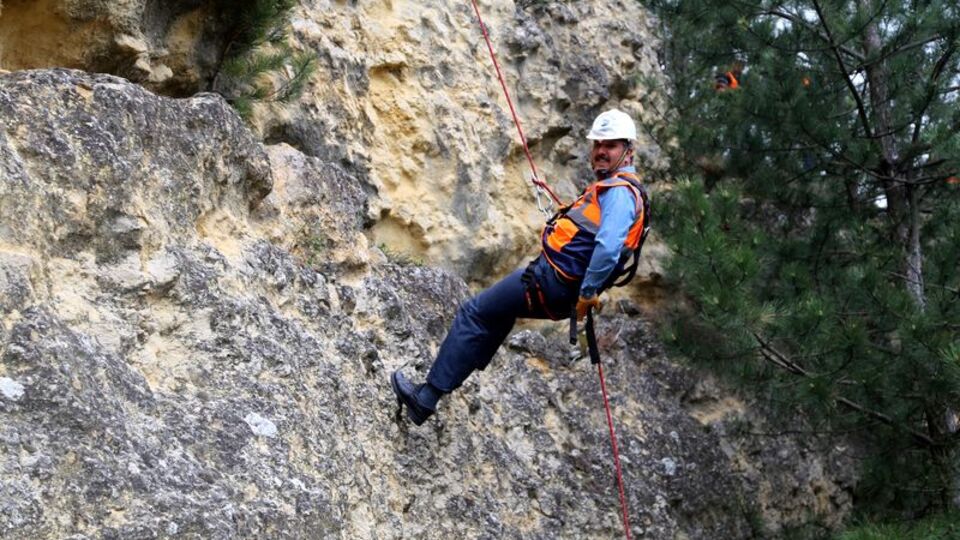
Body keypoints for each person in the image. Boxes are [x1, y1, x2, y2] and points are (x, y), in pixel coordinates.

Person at [391, 109, 650, 425]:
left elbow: (608, 248)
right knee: (497, 315)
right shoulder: (617, 189)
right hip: (560, 288)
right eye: (597, 144)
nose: (600, 151)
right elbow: (591, 233)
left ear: (628, 150)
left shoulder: (619, 192)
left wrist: (588, 291)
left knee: (474, 312)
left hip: (551, 282)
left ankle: (426, 397)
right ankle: (442, 386)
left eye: (610, 145)